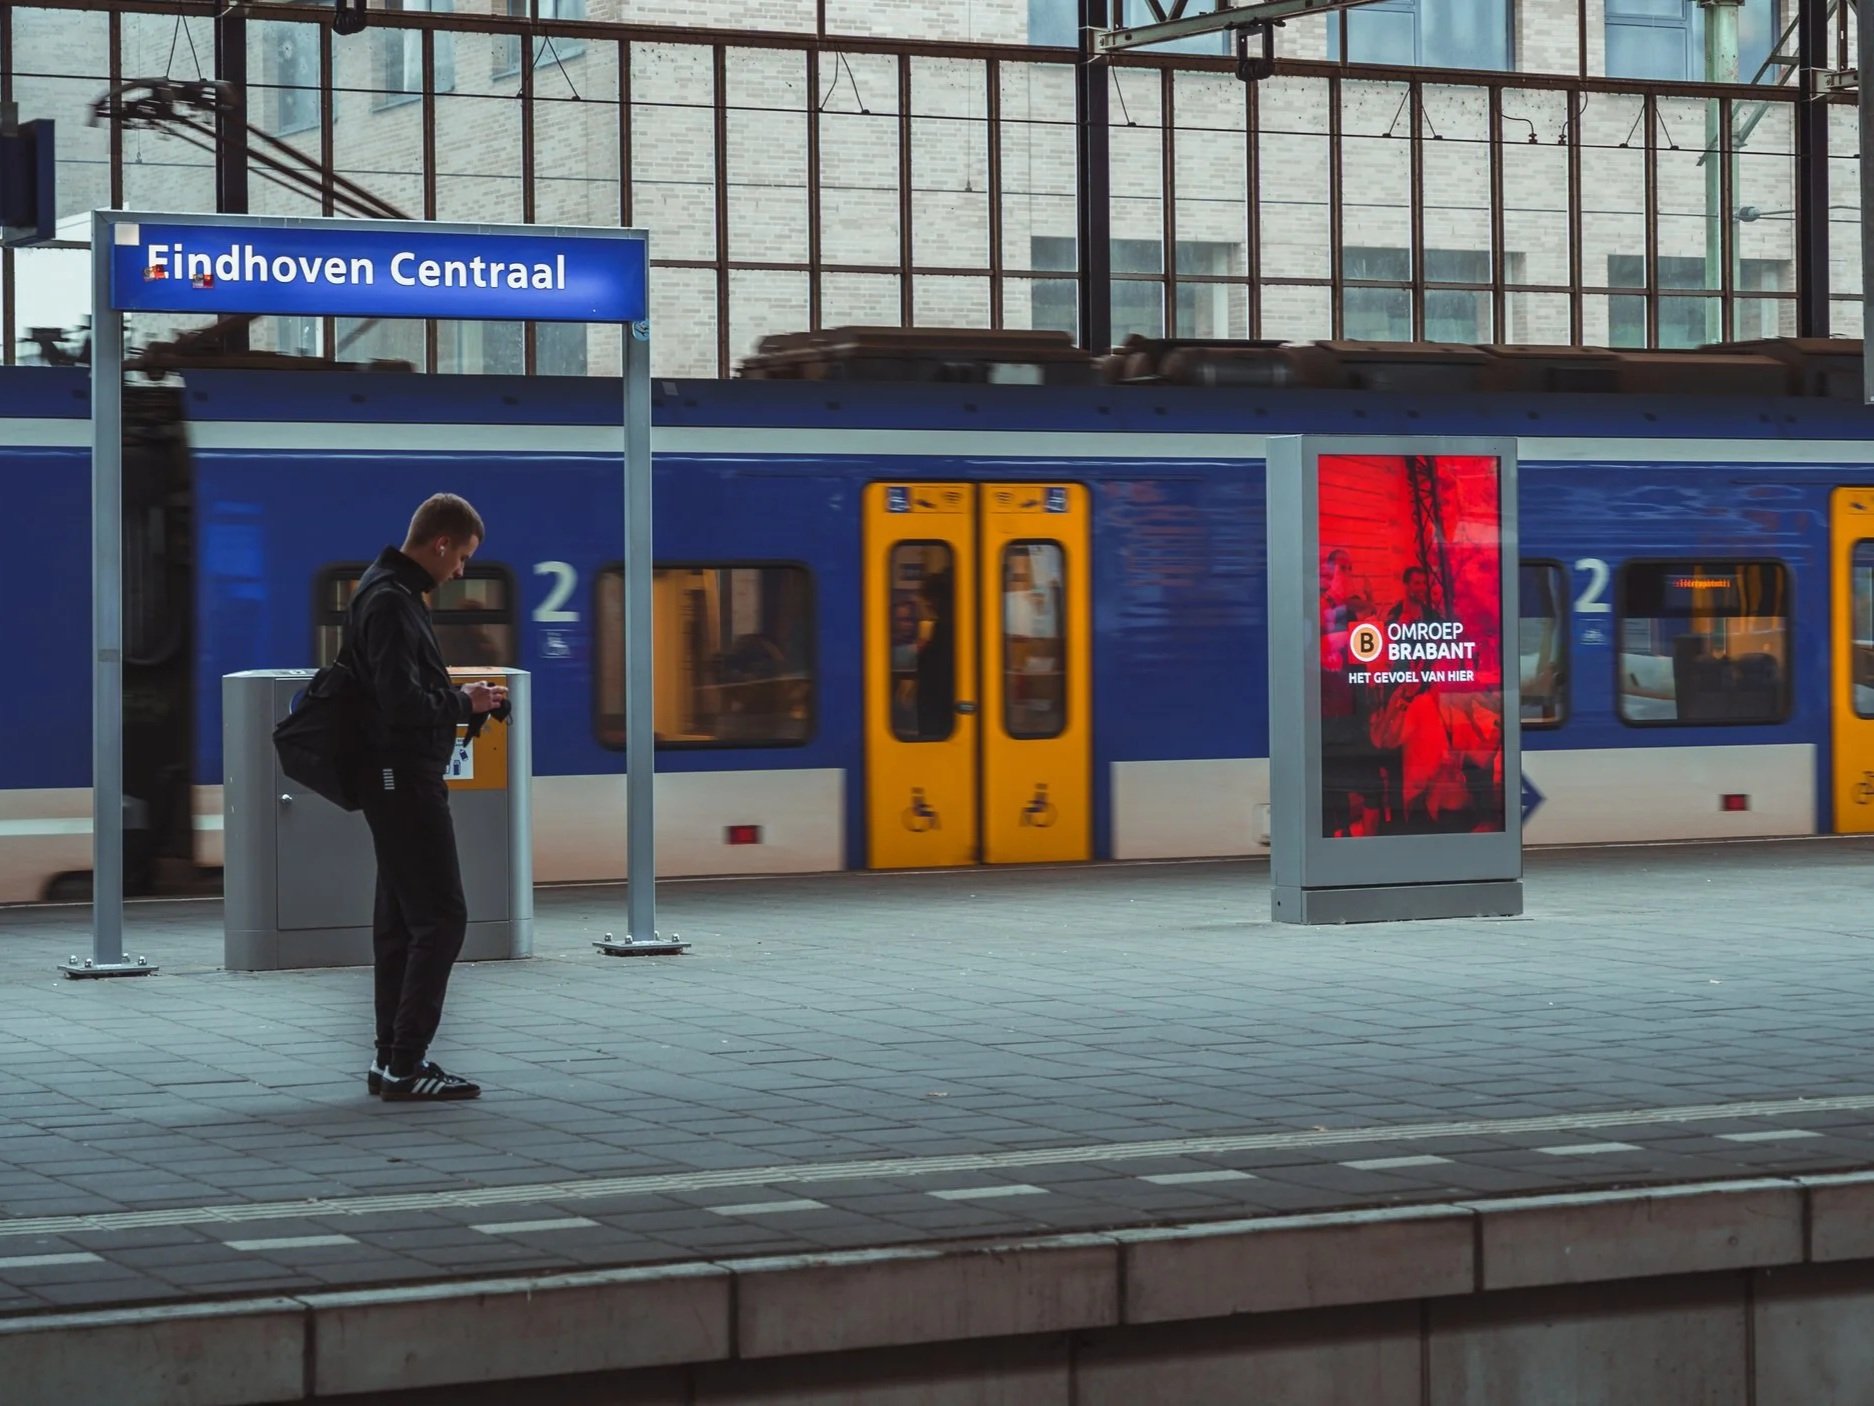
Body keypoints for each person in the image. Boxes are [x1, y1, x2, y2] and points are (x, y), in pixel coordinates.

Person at [351, 493, 505, 1102]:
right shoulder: (390, 600)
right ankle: (406, 1064)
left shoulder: (384, 589)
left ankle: (391, 1060)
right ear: (440, 543)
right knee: (442, 917)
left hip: (395, 774)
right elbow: (400, 703)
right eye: (462, 557)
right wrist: (463, 703)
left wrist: (468, 703)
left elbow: (406, 692)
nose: (461, 571)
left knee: (401, 922)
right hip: (401, 777)